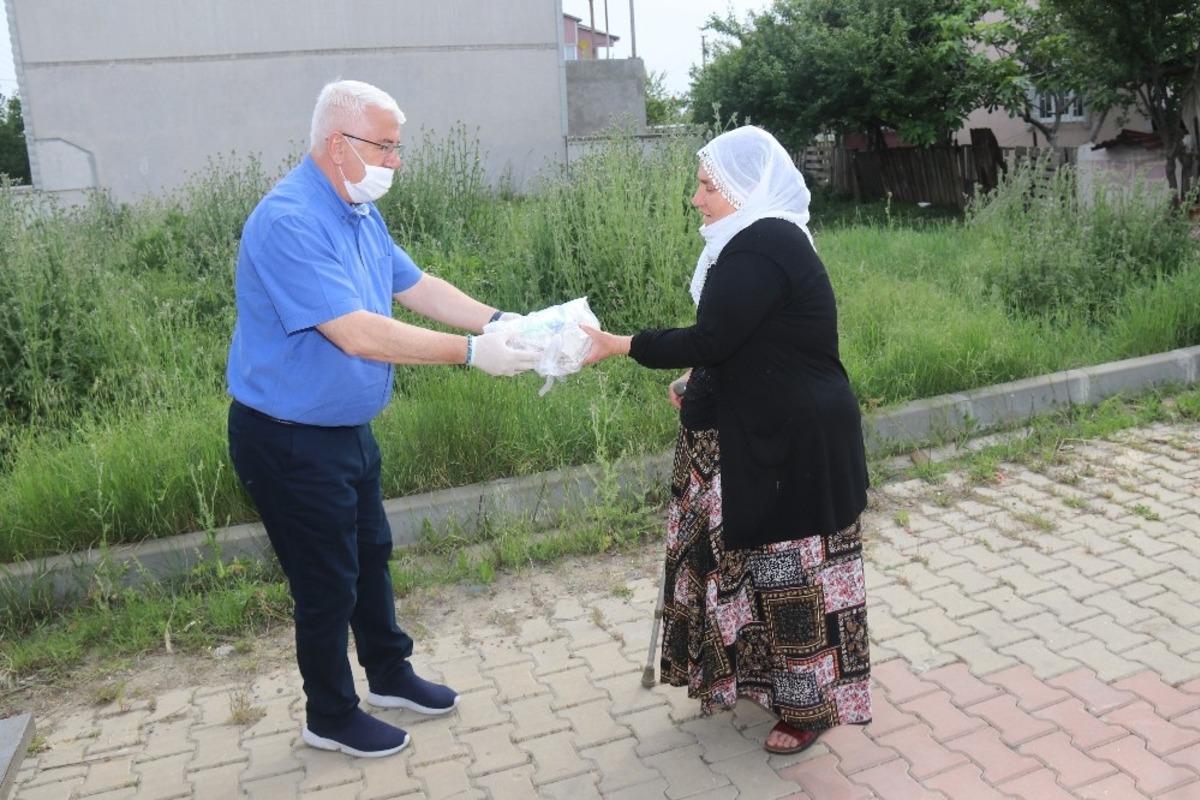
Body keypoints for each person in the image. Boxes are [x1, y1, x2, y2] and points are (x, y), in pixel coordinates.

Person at [226, 79, 539, 758]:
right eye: (386, 146)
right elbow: (357, 333)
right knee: (325, 580)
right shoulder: (289, 221)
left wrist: (500, 322)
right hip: (288, 440)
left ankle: (390, 674)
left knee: (371, 554)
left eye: (398, 146)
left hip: (344, 431)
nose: (397, 161)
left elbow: (416, 285)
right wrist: (470, 353)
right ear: (339, 146)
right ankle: (330, 716)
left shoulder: (357, 209)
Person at [582, 126, 871, 754]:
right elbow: (748, 340)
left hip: (794, 440)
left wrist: (622, 345)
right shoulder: (753, 242)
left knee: (793, 575)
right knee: (756, 569)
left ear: (745, 189)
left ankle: (810, 707)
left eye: (707, 185)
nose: (696, 198)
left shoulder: (760, 244)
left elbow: (713, 337)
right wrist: (698, 382)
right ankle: (766, 682)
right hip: (766, 425)